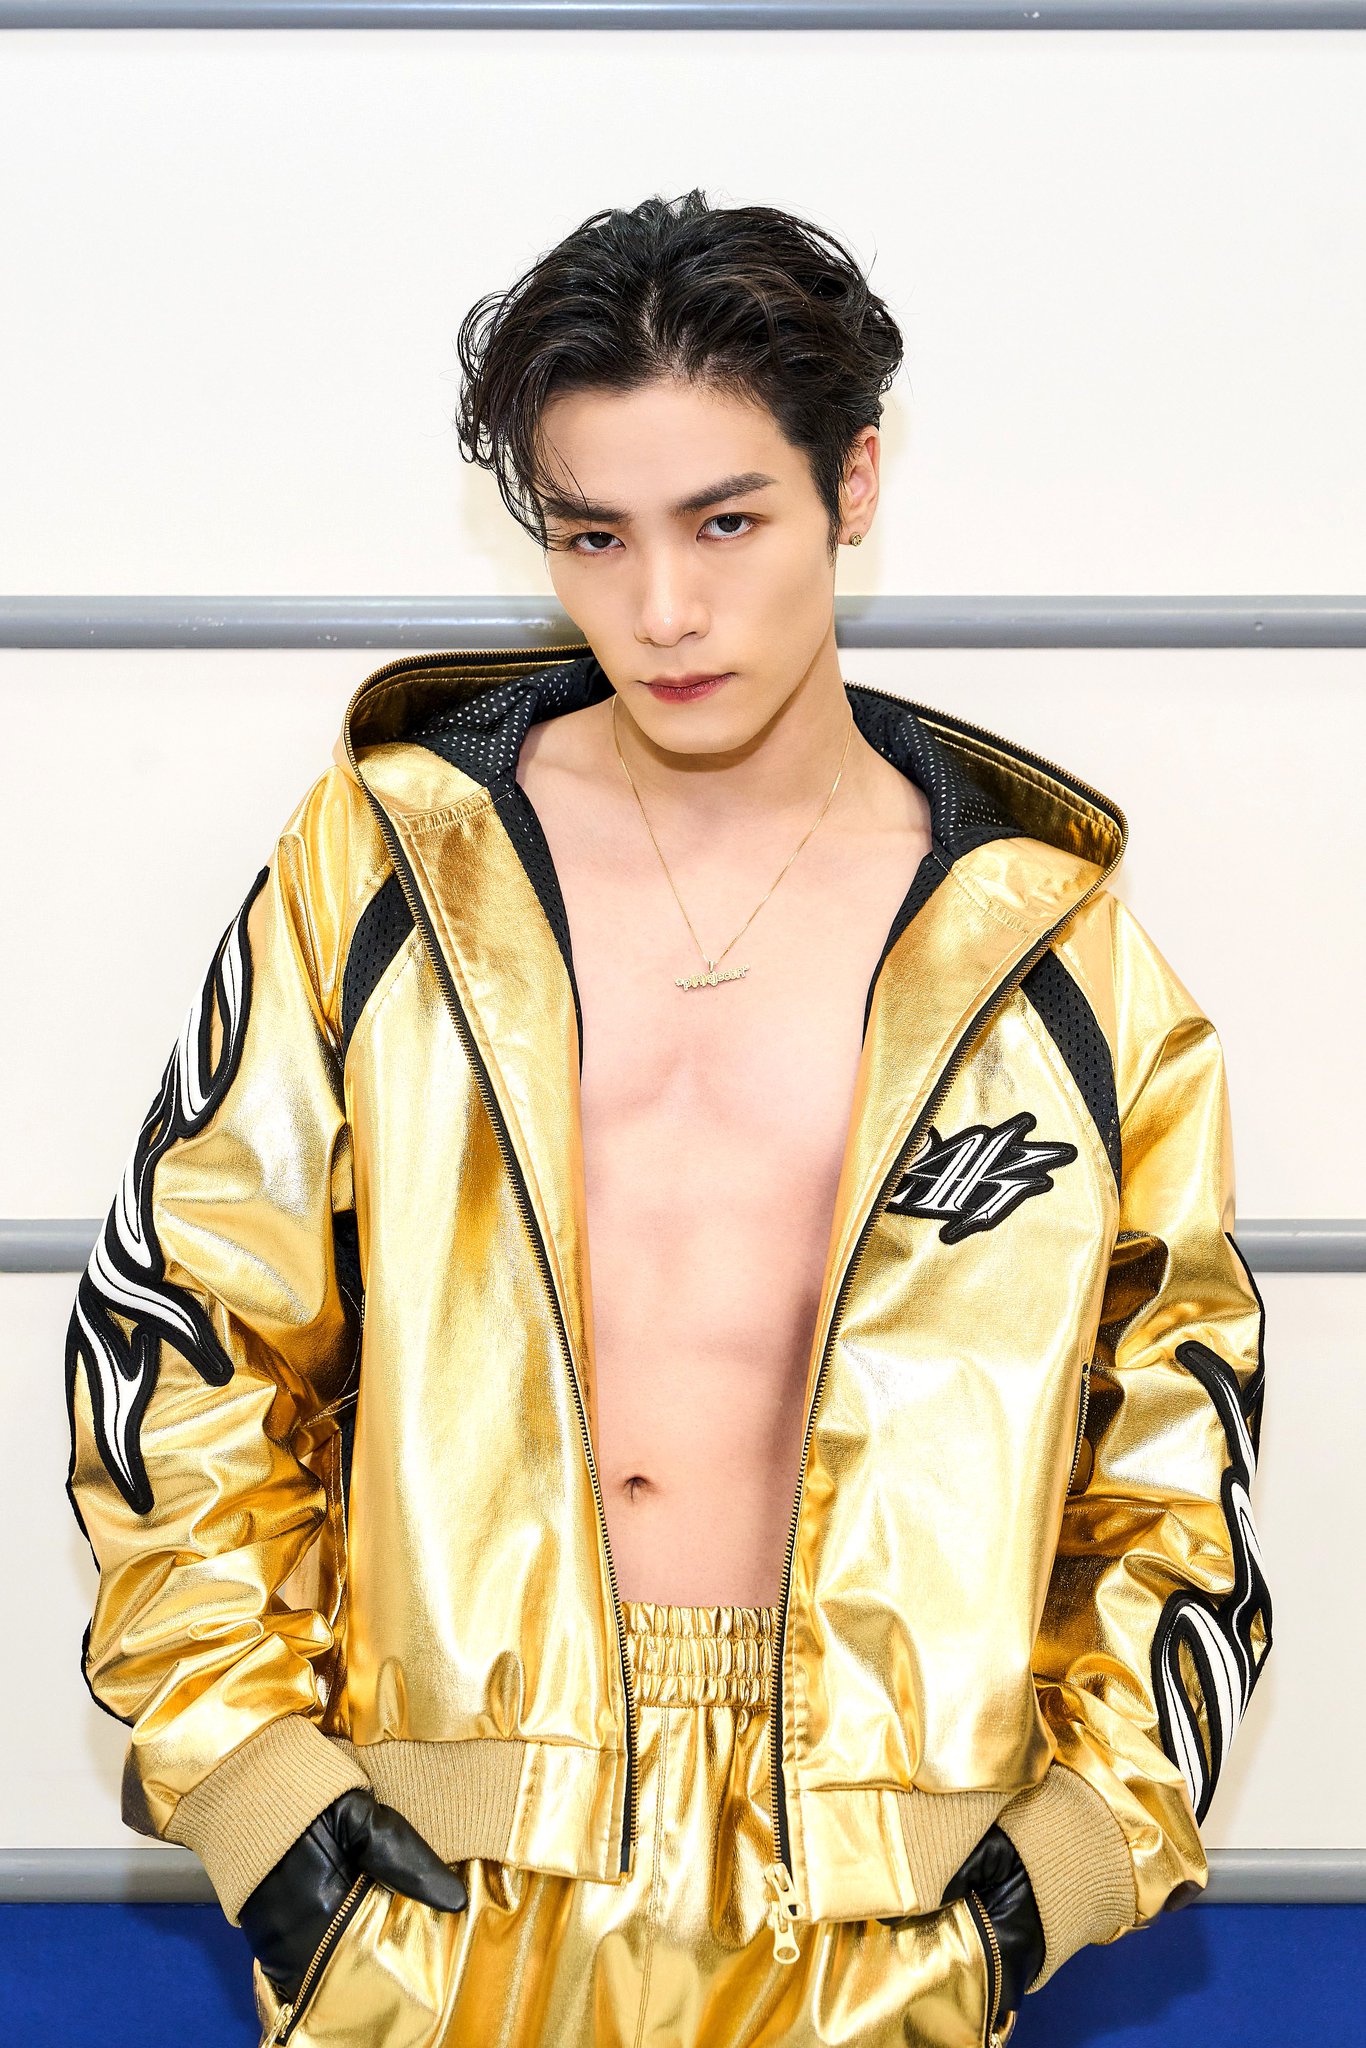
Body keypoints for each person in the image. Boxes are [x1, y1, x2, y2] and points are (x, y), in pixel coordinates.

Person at [65, 191, 1272, 2048]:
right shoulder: (383, 870)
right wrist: (252, 1786)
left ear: (852, 483)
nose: (663, 610)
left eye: (725, 521)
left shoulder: (1054, 958)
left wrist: (1072, 1855)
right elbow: (186, 1332)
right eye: (593, 536)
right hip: (438, 1869)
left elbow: (1174, 1441)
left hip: (884, 1893)